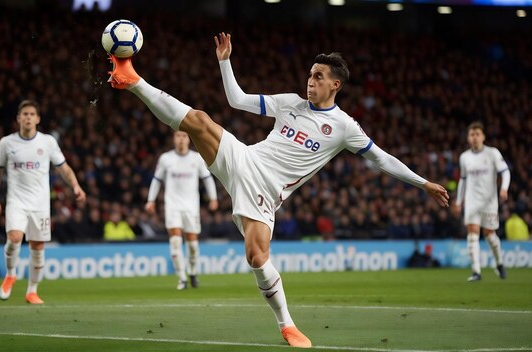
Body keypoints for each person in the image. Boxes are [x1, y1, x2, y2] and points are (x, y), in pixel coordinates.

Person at [105, 32, 449, 348]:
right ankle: (132, 79)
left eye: (318, 77)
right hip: (244, 159)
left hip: (267, 192)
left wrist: (423, 182)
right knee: (199, 120)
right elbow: (237, 100)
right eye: (310, 74)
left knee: (256, 256)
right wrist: (225, 61)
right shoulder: (290, 103)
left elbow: (381, 158)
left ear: (336, 84)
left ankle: (287, 325)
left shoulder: (344, 127)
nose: (310, 81)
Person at [0, 100, 86, 304]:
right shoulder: (7, 143)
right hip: (16, 201)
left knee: (38, 246)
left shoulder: (47, 142)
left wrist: (75, 186)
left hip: (40, 204)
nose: (28, 117)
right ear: (18, 118)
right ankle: (11, 274)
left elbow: (64, 167)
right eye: (24, 114)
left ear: (38, 119)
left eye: (32, 114)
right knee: (15, 237)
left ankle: (32, 291)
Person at [145, 131, 218, 290]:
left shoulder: (196, 158)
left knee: (192, 245)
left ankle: (192, 272)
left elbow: (207, 178)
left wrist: (213, 198)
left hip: (191, 207)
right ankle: (182, 278)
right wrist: (151, 200)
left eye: (184, 136)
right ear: (173, 139)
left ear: (188, 139)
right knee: (176, 241)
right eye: (178, 136)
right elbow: (157, 180)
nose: (181, 139)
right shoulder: (166, 159)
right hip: (172, 206)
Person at [452, 122, 510, 282]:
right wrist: (459, 201)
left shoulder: (492, 153)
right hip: (471, 202)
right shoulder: (464, 157)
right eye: (472, 134)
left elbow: (505, 172)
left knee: (490, 235)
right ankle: (476, 271)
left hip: (489, 202)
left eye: (477, 134)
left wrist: (504, 188)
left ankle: (499, 263)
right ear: (468, 137)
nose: (475, 137)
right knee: (472, 235)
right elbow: (463, 181)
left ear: (483, 136)